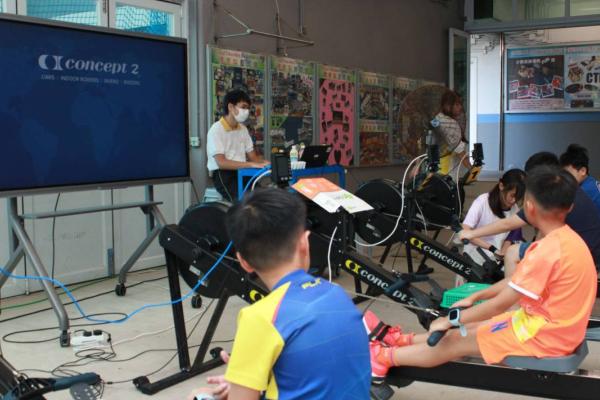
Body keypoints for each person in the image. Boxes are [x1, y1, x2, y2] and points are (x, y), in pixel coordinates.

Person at [368, 166, 597, 378]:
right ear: (570, 207)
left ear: (529, 207)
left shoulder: (546, 252)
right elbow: (515, 281)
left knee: (454, 341)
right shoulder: (569, 240)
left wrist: (449, 320)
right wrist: (475, 297)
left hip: (544, 338)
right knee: (469, 328)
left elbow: (499, 304)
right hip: (550, 329)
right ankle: (402, 340)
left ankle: (382, 358)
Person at [187, 188, 371, 400]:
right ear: (305, 243)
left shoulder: (259, 318)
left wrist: (237, 384)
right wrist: (248, 378)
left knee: (197, 396)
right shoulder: (336, 293)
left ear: (244, 262)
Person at [459, 152, 600, 273]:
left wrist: (471, 233)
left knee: (513, 253)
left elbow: (509, 224)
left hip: (576, 254)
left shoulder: (551, 192)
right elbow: (542, 231)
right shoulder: (567, 185)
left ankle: (514, 295)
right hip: (585, 250)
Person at [456, 169, 525, 285]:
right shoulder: (482, 202)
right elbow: (465, 231)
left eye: (518, 197)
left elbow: (512, 236)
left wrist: (503, 251)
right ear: (501, 185)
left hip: (497, 261)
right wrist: (492, 249)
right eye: (512, 195)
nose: (514, 201)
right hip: (474, 257)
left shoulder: (515, 209)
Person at [207, 89, 269, 202]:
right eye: (243, 107)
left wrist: (267, 164)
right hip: (223, 175)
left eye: (248, 108)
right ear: (231, 107)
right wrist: (251, 164)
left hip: (242, 172)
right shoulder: (216, 129)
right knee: (244, 204)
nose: (246, 111)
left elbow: (253, 157)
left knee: (263, 199)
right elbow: (221, 163)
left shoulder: (243, 129)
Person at [433, 91, 472, 175]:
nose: (460, 107)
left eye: (461, 104)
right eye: (457, 104)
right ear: (447, 106)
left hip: (434, 170)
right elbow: (460, 151)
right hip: (447, 172)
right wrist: (472, 170)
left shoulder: (436, 119)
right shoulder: (449, 123)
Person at [560, 144, 600, 214]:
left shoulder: (584, 191)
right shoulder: (592, 183)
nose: (565, 178)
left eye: (569, 174)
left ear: (583, 171)